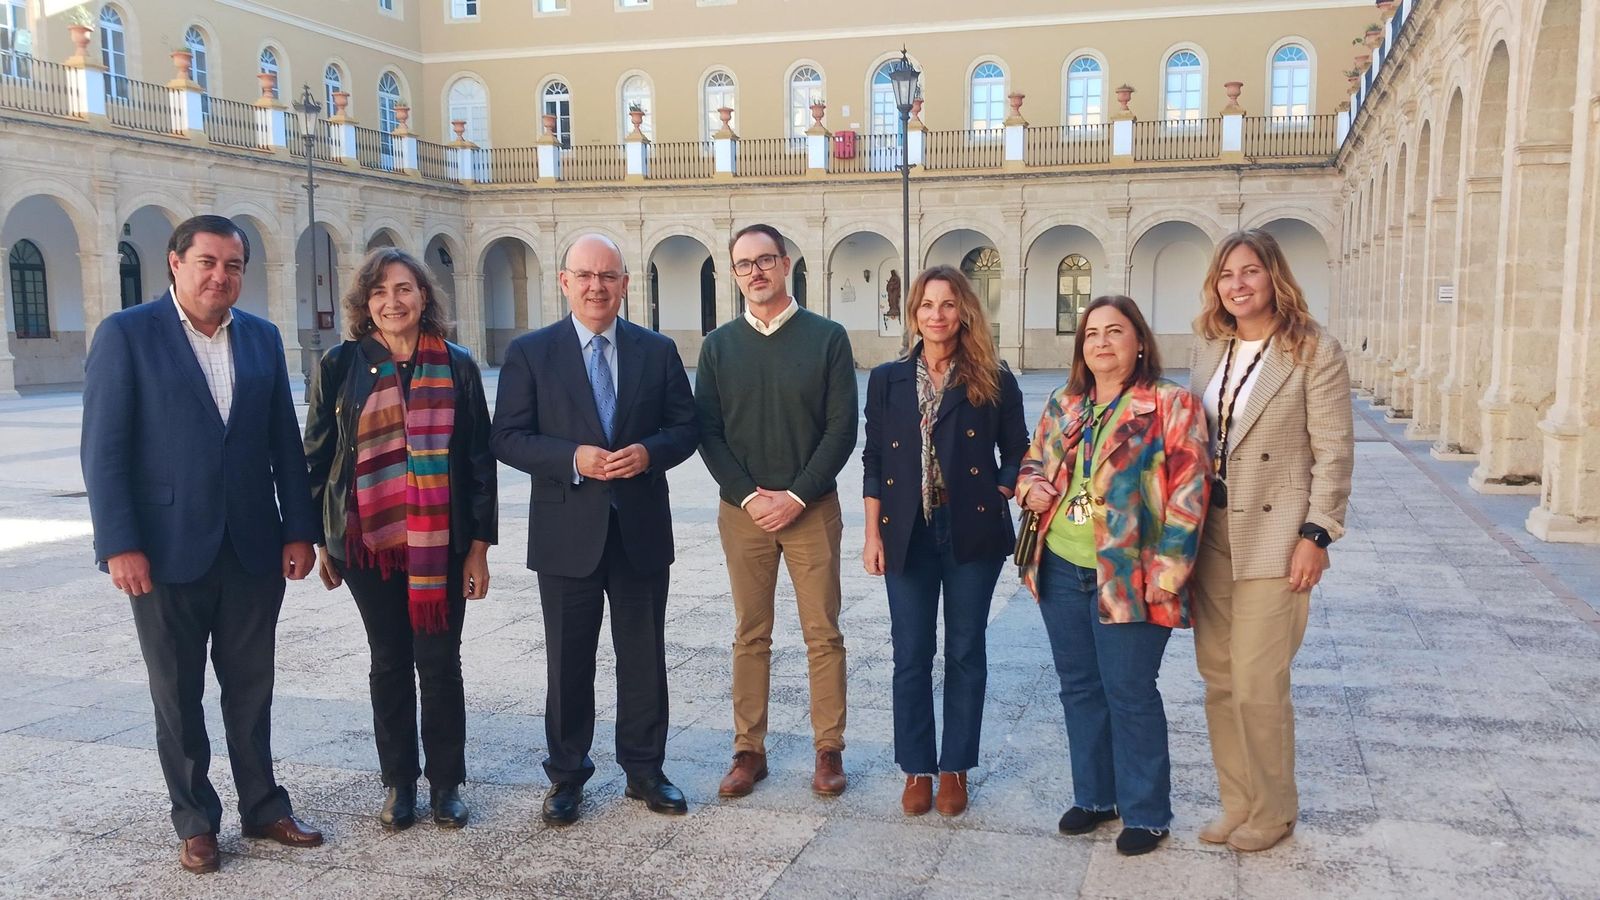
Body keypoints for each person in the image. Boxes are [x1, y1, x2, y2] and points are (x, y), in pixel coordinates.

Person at [80, 214, 324, 874]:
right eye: (208, 262)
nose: (221, 275)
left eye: (234, 265)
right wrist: (119, 543)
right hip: (163, 553)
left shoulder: (263, 341)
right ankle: (195, 819)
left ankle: (264, 806)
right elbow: (104, 452)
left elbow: (283, 444)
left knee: (252, 688)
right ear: (175, 263)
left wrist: (298, 529)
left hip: (252, 548)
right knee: (177, 692)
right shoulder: (126, 336)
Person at [492, 233, 699, 825]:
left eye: (607, 276)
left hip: (639, 530)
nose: (595, 287)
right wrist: (572, 458)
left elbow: (686, 427)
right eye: (584, 276)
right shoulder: (532, 352)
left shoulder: (656, 351)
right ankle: (566, 775)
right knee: (568, 661)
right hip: (566, 534)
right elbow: (507, 437)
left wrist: (650, 453)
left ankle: (644, 770)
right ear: (564, 282)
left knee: (643, 657)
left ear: (625, 284)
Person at [302, 247, 497, 832]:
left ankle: (445, 785)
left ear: (424, 297)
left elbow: (479, 462)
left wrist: (479, 548)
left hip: (443, 542)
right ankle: (399, 784)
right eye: (381, 291)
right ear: (366, 303)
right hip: (370, 545)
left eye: (405, 288)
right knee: (388, 661)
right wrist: (320, 541)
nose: (393, 301)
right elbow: (317, 457)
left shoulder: (458, 364)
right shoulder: (339, 365)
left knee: (440, 663)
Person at [1014, 295, 1210, 857]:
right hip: (1060, 562)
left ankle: (1147, 812)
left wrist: (1169, 573)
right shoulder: (1065, 401)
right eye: (1092, 333)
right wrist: (1032, 486)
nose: (1101, 342)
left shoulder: (1172, 405)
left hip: (1132, 573)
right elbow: (1032, 460)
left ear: (1140, 341)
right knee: (1079, 688)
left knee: (1129, 691)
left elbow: (1190, 497)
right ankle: (1096, 796)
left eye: (1115, 331)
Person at [1188, 229, 1353, 852]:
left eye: (1250, 271)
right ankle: (1238, 801)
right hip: (1211, 533)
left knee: (1259, 681)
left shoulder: (1313, 350)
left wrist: (1318, 533)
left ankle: (1275, 808)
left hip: (1276, 536)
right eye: (1227, 274)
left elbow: (1334, 452)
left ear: (1274, 276)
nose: (1238, 284)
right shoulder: (1210, 347)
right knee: (1219, 677)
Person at [697, 223, 858, 798]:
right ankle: (748, 750)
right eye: (743, 264)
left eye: (765, 260)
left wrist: (795, 495)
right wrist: (749, 497)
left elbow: (842, 429)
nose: (755, 272)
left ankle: (828, 749)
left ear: (786, 264)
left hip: (810, 508)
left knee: (823, 632)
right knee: (750, 632)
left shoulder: (827, 338)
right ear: (733, 274)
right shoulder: (718, 347)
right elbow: (708, 434)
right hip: (743, 513)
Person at [861, 265, 1027, 817]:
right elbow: (875, 460)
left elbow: (1019, 448)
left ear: (964, 313)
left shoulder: (992, 376)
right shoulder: (887, 379)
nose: (937, 314)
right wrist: (871, 535)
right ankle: (916, 768)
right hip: (906, 530)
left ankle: (955, 766)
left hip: (970, 531)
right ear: (914, 313)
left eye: (948, 304)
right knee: (910, 654)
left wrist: (1001, 487)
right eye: (927, 305)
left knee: (964, 651)